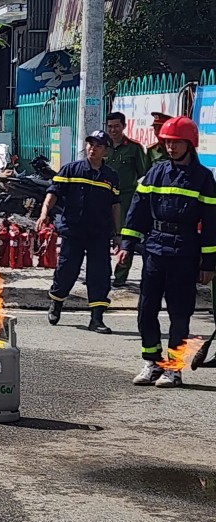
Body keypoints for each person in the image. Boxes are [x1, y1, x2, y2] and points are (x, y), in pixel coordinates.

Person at [117, 116, 216, 387]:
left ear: (190, 144)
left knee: (180, 313)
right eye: (167, 143)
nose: (170, 148)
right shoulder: (156, 172)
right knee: (146, 309)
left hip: (185, 251)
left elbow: (211, 223)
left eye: (176, 143)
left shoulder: (203, 178)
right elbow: (137, 211)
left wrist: (208, 262)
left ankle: (174, 368)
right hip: (155, 249)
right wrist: (126, 245)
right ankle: (152, 362)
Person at [36, 130, 120, 334]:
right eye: (90, 144)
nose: (93, 148)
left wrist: (118, 234)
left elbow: (115, 206)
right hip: (74, 230)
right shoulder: (70, 170)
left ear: (105, 151)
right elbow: (53, 193)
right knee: (67, 269)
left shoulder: (110, 177)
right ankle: (56, 302)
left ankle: (97, 318)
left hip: (99, 233)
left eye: (98, 145)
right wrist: (43, 214)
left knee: (99, 274)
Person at [104, 112, 149, 287]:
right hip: (102, 198)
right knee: (100, 237)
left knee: (125, 237)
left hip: (125, 199)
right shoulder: (102, 146)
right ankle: (101, 274)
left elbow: (143, 174)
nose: (113, 130)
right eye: (110, 127)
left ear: (124, 126)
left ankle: (120, 276)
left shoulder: (133, 148)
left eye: (116, 126)